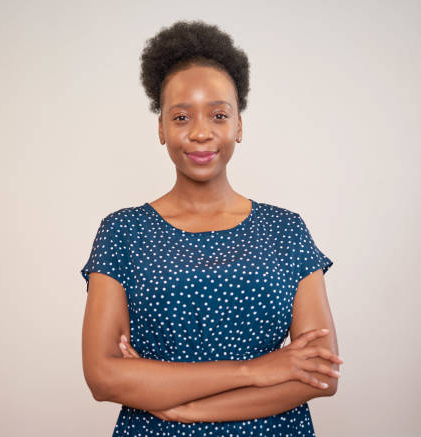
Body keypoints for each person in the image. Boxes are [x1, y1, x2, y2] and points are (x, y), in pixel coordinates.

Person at [80, 20, 342, 436]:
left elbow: (321, 374)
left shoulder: (286, 231)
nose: (200, 132)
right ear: (161, 128)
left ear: (238, 125)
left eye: (218, 114)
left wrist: (190, 411)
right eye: (181, 116)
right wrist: (257, 370)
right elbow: (103, 377)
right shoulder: (122, 232)